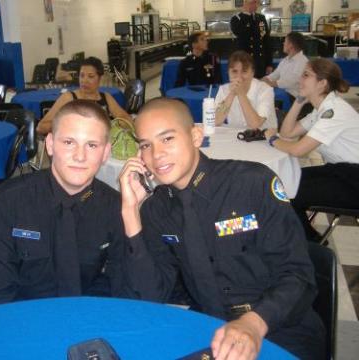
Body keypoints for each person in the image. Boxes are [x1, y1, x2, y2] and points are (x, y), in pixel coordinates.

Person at [119, 97, 325, 360]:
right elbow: (151, 294)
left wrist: (253, 323)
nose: (156, 154)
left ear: (195, 136)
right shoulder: (156, 209)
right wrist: (131, 215)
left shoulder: (252, 184)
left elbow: (299, 276)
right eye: (146, 145)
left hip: (279, 327)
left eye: (167, 138)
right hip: (208, 328)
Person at [0, 100, 131, 309]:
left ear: (105, 153)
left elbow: (119, 283)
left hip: (85, 314)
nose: (80, 156)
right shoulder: (8, 201)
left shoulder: (115, 207)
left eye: (91, 145)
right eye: (68, 142)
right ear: (49, 144)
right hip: (19, 317)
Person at [264, 58, 359, 242]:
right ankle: (307, 238)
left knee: (285, 191)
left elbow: (298, 149)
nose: (300, 79)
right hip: (339, 171)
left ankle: (310, 245)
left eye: (306, 75)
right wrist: (299, 101)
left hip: (354, 180)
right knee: (283, 182)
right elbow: (288, 132)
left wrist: (272, 139)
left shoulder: (334, 112)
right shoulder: (320, 110)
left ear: (322, 83)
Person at [36, 56, 131, 135]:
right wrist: (67, 124)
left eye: (90, 76)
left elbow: (127, 120)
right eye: (82, 76)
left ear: (100, 79)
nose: (84, 81)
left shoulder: (106, 97)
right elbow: (41, 127)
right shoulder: (69, 97)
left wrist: (109, 125)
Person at [215, 51, 277, 129]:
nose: (239, 76)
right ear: (228, 72)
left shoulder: (265, 90)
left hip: (264, 138)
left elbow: (255, 125)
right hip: (236, 137)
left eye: (244, 71)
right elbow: (216, 120)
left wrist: (241, 94)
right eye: (234, 71)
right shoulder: (224, 90)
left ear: (252, 73)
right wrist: (231, 94)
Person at [262, 32, 312, 119]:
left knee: (273, 99)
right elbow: (275, 74)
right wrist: (263, 80)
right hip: (288, 96)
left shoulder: (302, 61)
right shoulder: (286, 60)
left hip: (299, 101)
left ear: (291, 45)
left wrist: (272, 83)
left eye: (285, 41)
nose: (283, 43)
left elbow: (292, 81)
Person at [230, 0, 272, 78]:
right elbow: (242, 33)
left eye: (257, 3)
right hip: (244, 62)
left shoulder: (261, 18)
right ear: (245, 3)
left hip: (259, 62)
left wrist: (269, 63)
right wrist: (247, 14)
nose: (255, 5)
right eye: (252, 2)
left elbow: (266, 41)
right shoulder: (236, 19)